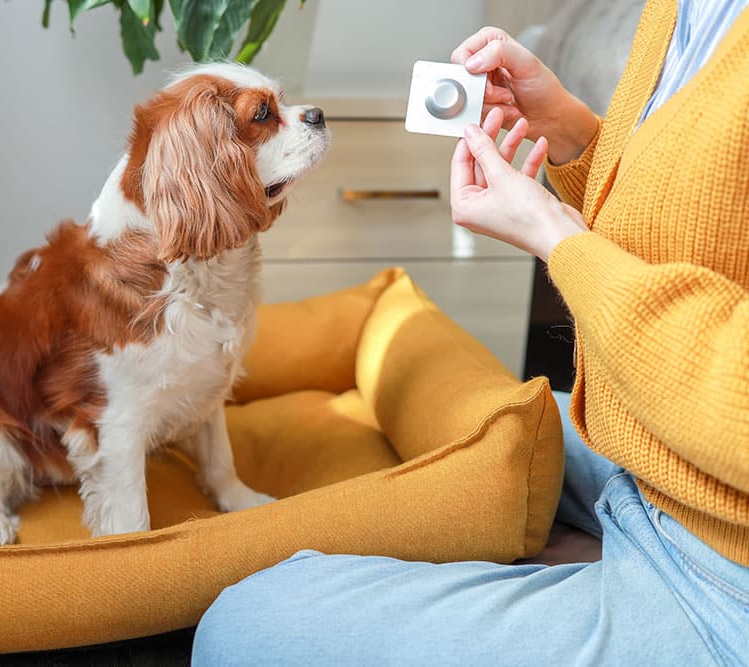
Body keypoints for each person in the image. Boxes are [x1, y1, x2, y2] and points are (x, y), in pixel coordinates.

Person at [191, 0, 749, 663]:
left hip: (722, 571)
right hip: (659, 451)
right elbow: (705, 227)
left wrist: (555, 236)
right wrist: (573, 136)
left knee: (245, 624)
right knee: (496, 426)